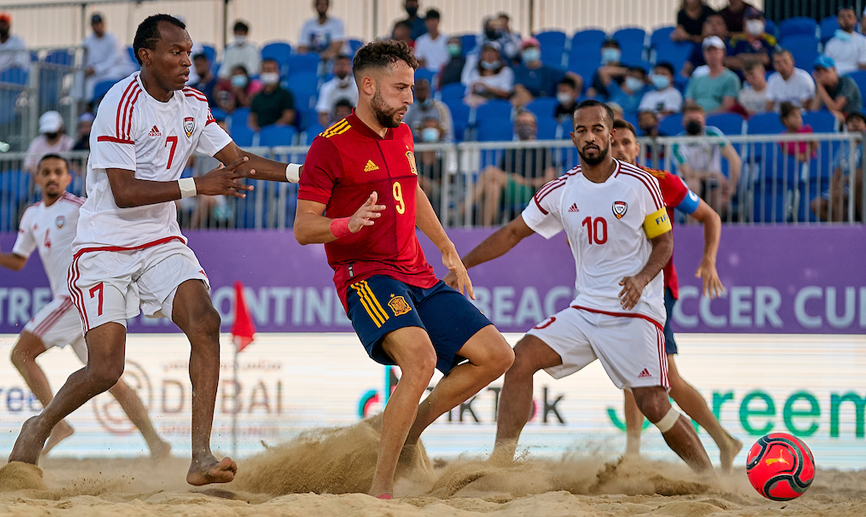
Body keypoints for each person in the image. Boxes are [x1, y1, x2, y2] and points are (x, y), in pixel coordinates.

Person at [6, 14, 304, 486]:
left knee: (206, 323)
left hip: (161, 240)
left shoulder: (194, 104)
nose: (187, 60)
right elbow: (123, 192)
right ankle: (39, 424)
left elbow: (238, 161)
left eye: (188, 51)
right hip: (104, 245)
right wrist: (197, 185)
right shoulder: (120, 104)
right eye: (175, 51)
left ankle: (201, 456)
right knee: (106, 367)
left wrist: (300, 175)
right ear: (146, 55)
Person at [446, 100, 714, 474]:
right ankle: (500, 465)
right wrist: (463, 262)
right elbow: (512, 232)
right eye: (583, 131)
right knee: (520, 360)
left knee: (653, 403)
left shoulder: (642, 185)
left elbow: (665, 243)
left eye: (598, 130)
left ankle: (710, 478)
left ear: (610, 134)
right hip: (586, 310)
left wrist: (640, 279)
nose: (591, 137)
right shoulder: (561, 190)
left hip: (634, 311)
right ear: (573, 137)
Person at [295, 39, 513, 498]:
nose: (409, 99)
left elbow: (411, 193)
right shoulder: (328, 147)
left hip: (418, 273)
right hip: (367, 275)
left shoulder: (402, 132)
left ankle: (409, 432)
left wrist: (448, 248)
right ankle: (381, 490)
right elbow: (303, 228)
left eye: (412, 88)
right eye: (400, 88)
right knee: (421, 361)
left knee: (499, 356)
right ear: (368, 85)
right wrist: (345, 224)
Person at [0, 154, 172, 460]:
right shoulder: (31, 215)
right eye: (46, 172)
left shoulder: (80, 207)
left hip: (74, 295)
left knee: (21, 354)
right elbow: (17, 260)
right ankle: (156, 443)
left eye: (58, 172)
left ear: (69, 178)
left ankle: (57, 424)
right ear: (36, 179)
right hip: (79, 305)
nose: (52, 177)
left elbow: (116, 221)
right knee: (108, 377)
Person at [609, 119, 742, 473]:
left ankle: (721, 440)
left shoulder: (662, 181)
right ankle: (638, 454)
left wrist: (709, 260)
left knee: (665, 375)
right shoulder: (599, 188)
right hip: (622, 292)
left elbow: (710, 216)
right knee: (634, 374)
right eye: (614, 143)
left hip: (657, 291)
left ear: (638, 148)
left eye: (626, 142)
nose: (620, 149)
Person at [470, 109, 559, 226]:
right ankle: (485, 231)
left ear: (535, 128)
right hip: (507, 190)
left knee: (490, 172)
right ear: (515, 127)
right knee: (492, 187)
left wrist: (524, 181)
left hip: (528, 191)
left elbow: (549, 180)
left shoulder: (542, 150)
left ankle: (461, 211)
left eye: (528, 124)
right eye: (521, 124)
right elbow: (501, 174)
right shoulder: (510, 149)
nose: (525, 127)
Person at [672, 104, 742, 216]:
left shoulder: (713, 134)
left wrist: (732, 187)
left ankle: (716, 229)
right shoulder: (677, 142)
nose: (693, 122)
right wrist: (713, 174)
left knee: (721, 201)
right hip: (690, 181)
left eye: (697, 119)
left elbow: (734, 159)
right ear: (683, 121)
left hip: (712, 183)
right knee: (693, 187)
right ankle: (692, 229)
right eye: (690, 119)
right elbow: (687, 172)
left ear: (704, 121)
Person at [811, 111, 865, 221]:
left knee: (854, 184)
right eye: (851, 122)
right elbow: (837, 172)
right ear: (847, 128)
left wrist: (843, 180)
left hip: (859, 184)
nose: (855, 124)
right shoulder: (843, 148)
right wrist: (834, 186)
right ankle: (839, 227)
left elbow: (862, 173)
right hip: (845, 186)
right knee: (816, 205)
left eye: (858, 121)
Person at [81, 13, 134, 102]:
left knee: (112, 75)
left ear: (103, 24)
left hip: (117, 68)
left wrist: (97, 69)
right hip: (98, 72)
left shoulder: (113, 38)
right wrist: (90, 69)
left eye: (99, 24)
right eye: (95, 24)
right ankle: (87, 106)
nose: (97, 26)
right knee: (82, 79)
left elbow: (114, 59)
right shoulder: (87, 41)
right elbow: (87, 60)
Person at [685, 36, 740, 113]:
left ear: (723, 52)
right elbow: (689, 101)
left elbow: (727, 106)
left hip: (718, 120)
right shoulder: (697, 77)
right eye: (708, 51)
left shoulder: (731, 78)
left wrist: (706, 117)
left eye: (715, 50)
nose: (712, 54)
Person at [511, 37, 568, 107]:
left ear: (539, 50)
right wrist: (535, 106)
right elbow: (519, 89)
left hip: (549, 104)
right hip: (528, 105)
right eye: (526, 49)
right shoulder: (519, 70)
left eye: (532, 48)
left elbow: (574, 78)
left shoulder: (549, 69)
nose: (529, 51)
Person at [809, 54, 863, 121]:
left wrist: (820, 87)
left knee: (834, 116)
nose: (822, 74)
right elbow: (814, 111)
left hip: (853, 117)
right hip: (834, 117)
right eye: (819, 71)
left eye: (825, 70)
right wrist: (819, 86)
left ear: (834, 70)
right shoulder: (821, 84)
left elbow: (835, 108)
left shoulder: (846, 82)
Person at [461, 41, 514, 108]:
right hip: (476, 100)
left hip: (496, 102)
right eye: (486, 52)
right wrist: (473, 89)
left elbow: (506, 93)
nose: (489, 54)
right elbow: (468, 91)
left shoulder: (506, 71)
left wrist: (486, 87)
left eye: (493, 52)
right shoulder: (475, 72)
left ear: (498, 54)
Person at [249, 58, 295, 131]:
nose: (268, 73)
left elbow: (288, 117)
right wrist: (257, 131)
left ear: (277, 72)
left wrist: (271, 131)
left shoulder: (286, 94)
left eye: (271, 70)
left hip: (279, 133)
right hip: (260, 134)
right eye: (266, 70)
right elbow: (252, 119)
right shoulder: (257, 97)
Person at [724, 7, 775, 73]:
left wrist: (741, 56)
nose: (754, 21)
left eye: (757, 18)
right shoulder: (736, 40)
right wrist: (757, 60)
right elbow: (729, 62)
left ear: (763, 22)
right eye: (751, 19)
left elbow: (766, 60)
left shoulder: (769, 40)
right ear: (744, 22)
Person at [681, 13, 728, 78]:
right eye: (710, 22)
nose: (714, 25)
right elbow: (686, 70)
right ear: (704, 27)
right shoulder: (698, 46)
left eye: (718, 23)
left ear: (725, 27)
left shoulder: (732, 44)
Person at [316, 54, 358, 126]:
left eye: (345, 64)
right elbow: (322, 115)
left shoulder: (359, 87)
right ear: (333, 68)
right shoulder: (326, 88)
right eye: (338, 64)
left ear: (351, 68)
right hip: (334, 127)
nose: (341, 67)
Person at [824, 6, 866, 77]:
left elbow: (863, 67)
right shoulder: (830, 44)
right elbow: (826, 66)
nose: (846, 19)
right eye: (842, 16)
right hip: (835, 79)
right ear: (837, 20)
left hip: (855, 80)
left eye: (849, 16)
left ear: (855, 20)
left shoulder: (863, 42)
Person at [413, 9, 448, 74]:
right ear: (425, 23)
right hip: (427, 74)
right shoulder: (420, 41)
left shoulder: (446, 40)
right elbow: (420, 60)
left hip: (444, 74)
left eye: (433, 20)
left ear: (438, 21)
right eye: (429, 21)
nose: (431, 23)